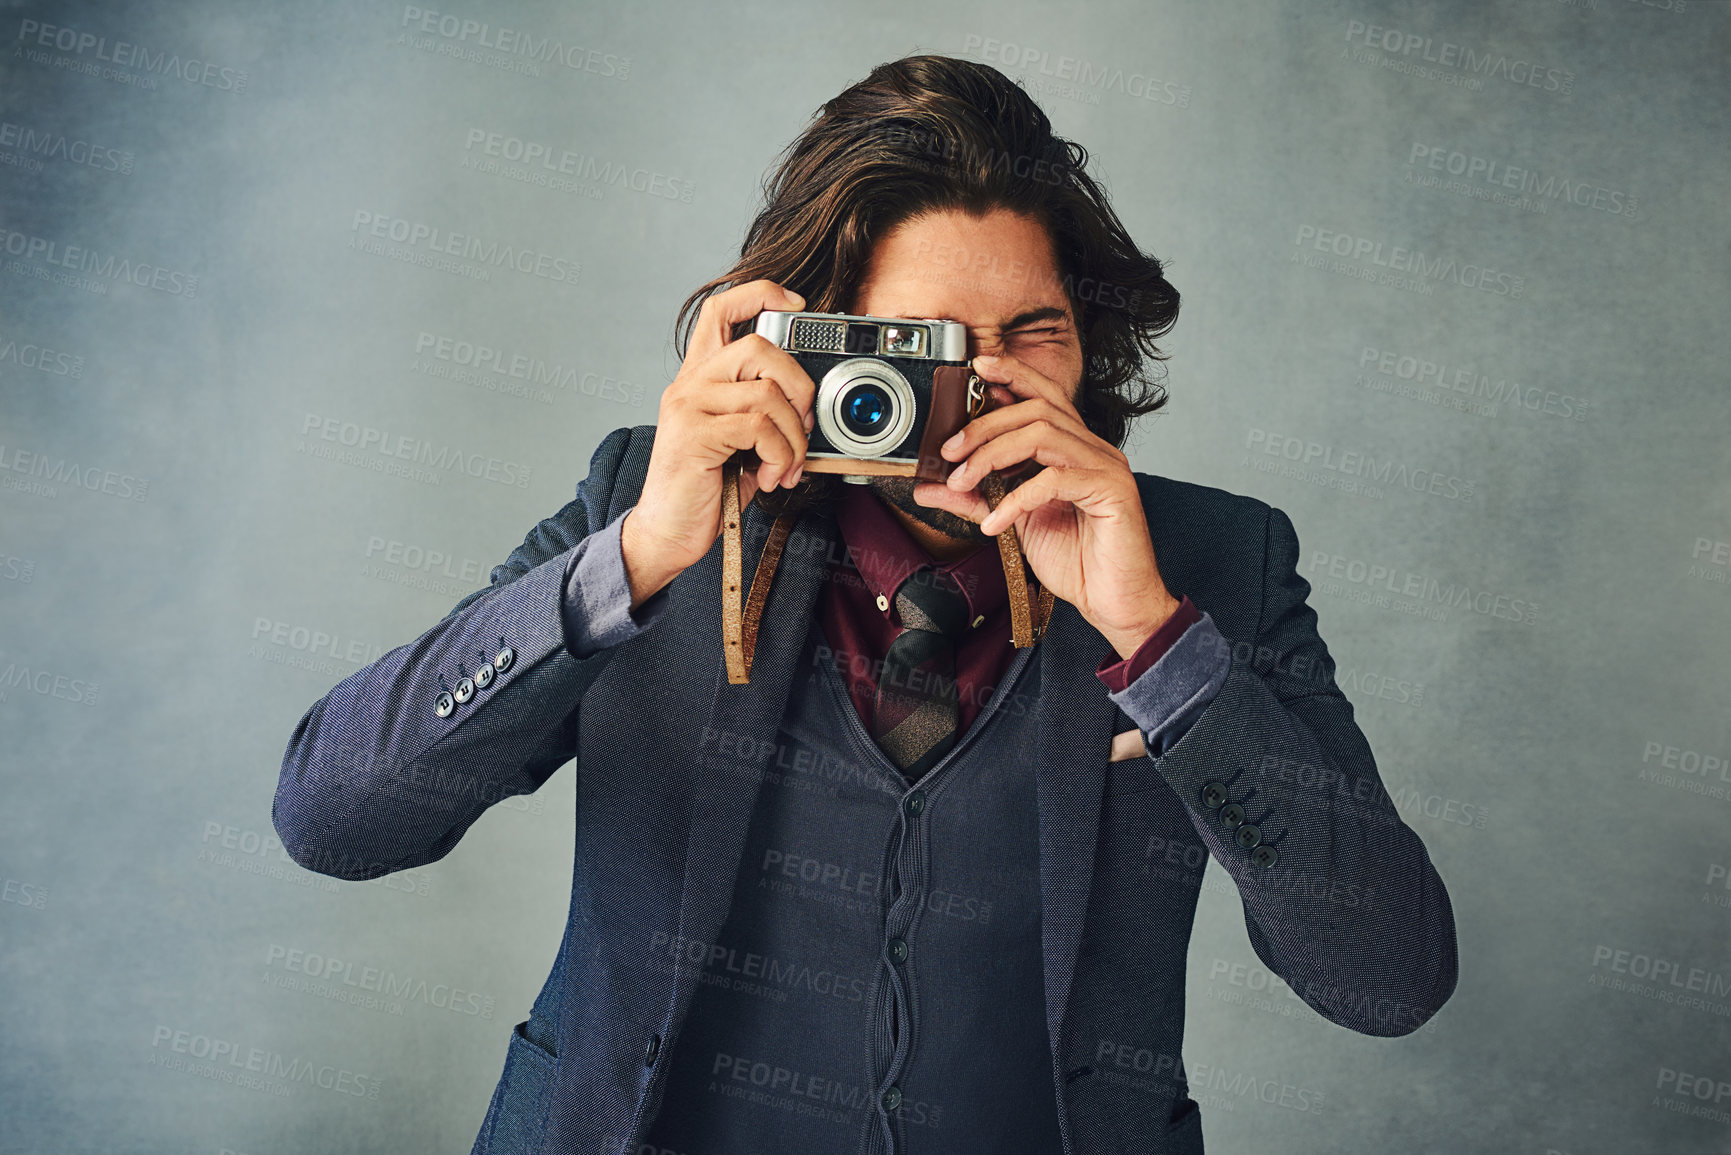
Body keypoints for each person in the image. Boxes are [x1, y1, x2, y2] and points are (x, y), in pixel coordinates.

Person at [274, 54, 1457, 1155]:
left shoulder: (1214, 561)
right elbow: (333, 818)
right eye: (922, 346)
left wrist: (1157, 640)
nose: (978, 388)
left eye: (1031, 334)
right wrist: (631, 561)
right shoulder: (648, 502)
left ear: (1091, 341)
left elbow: (1388, 979)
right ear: (821, 344)